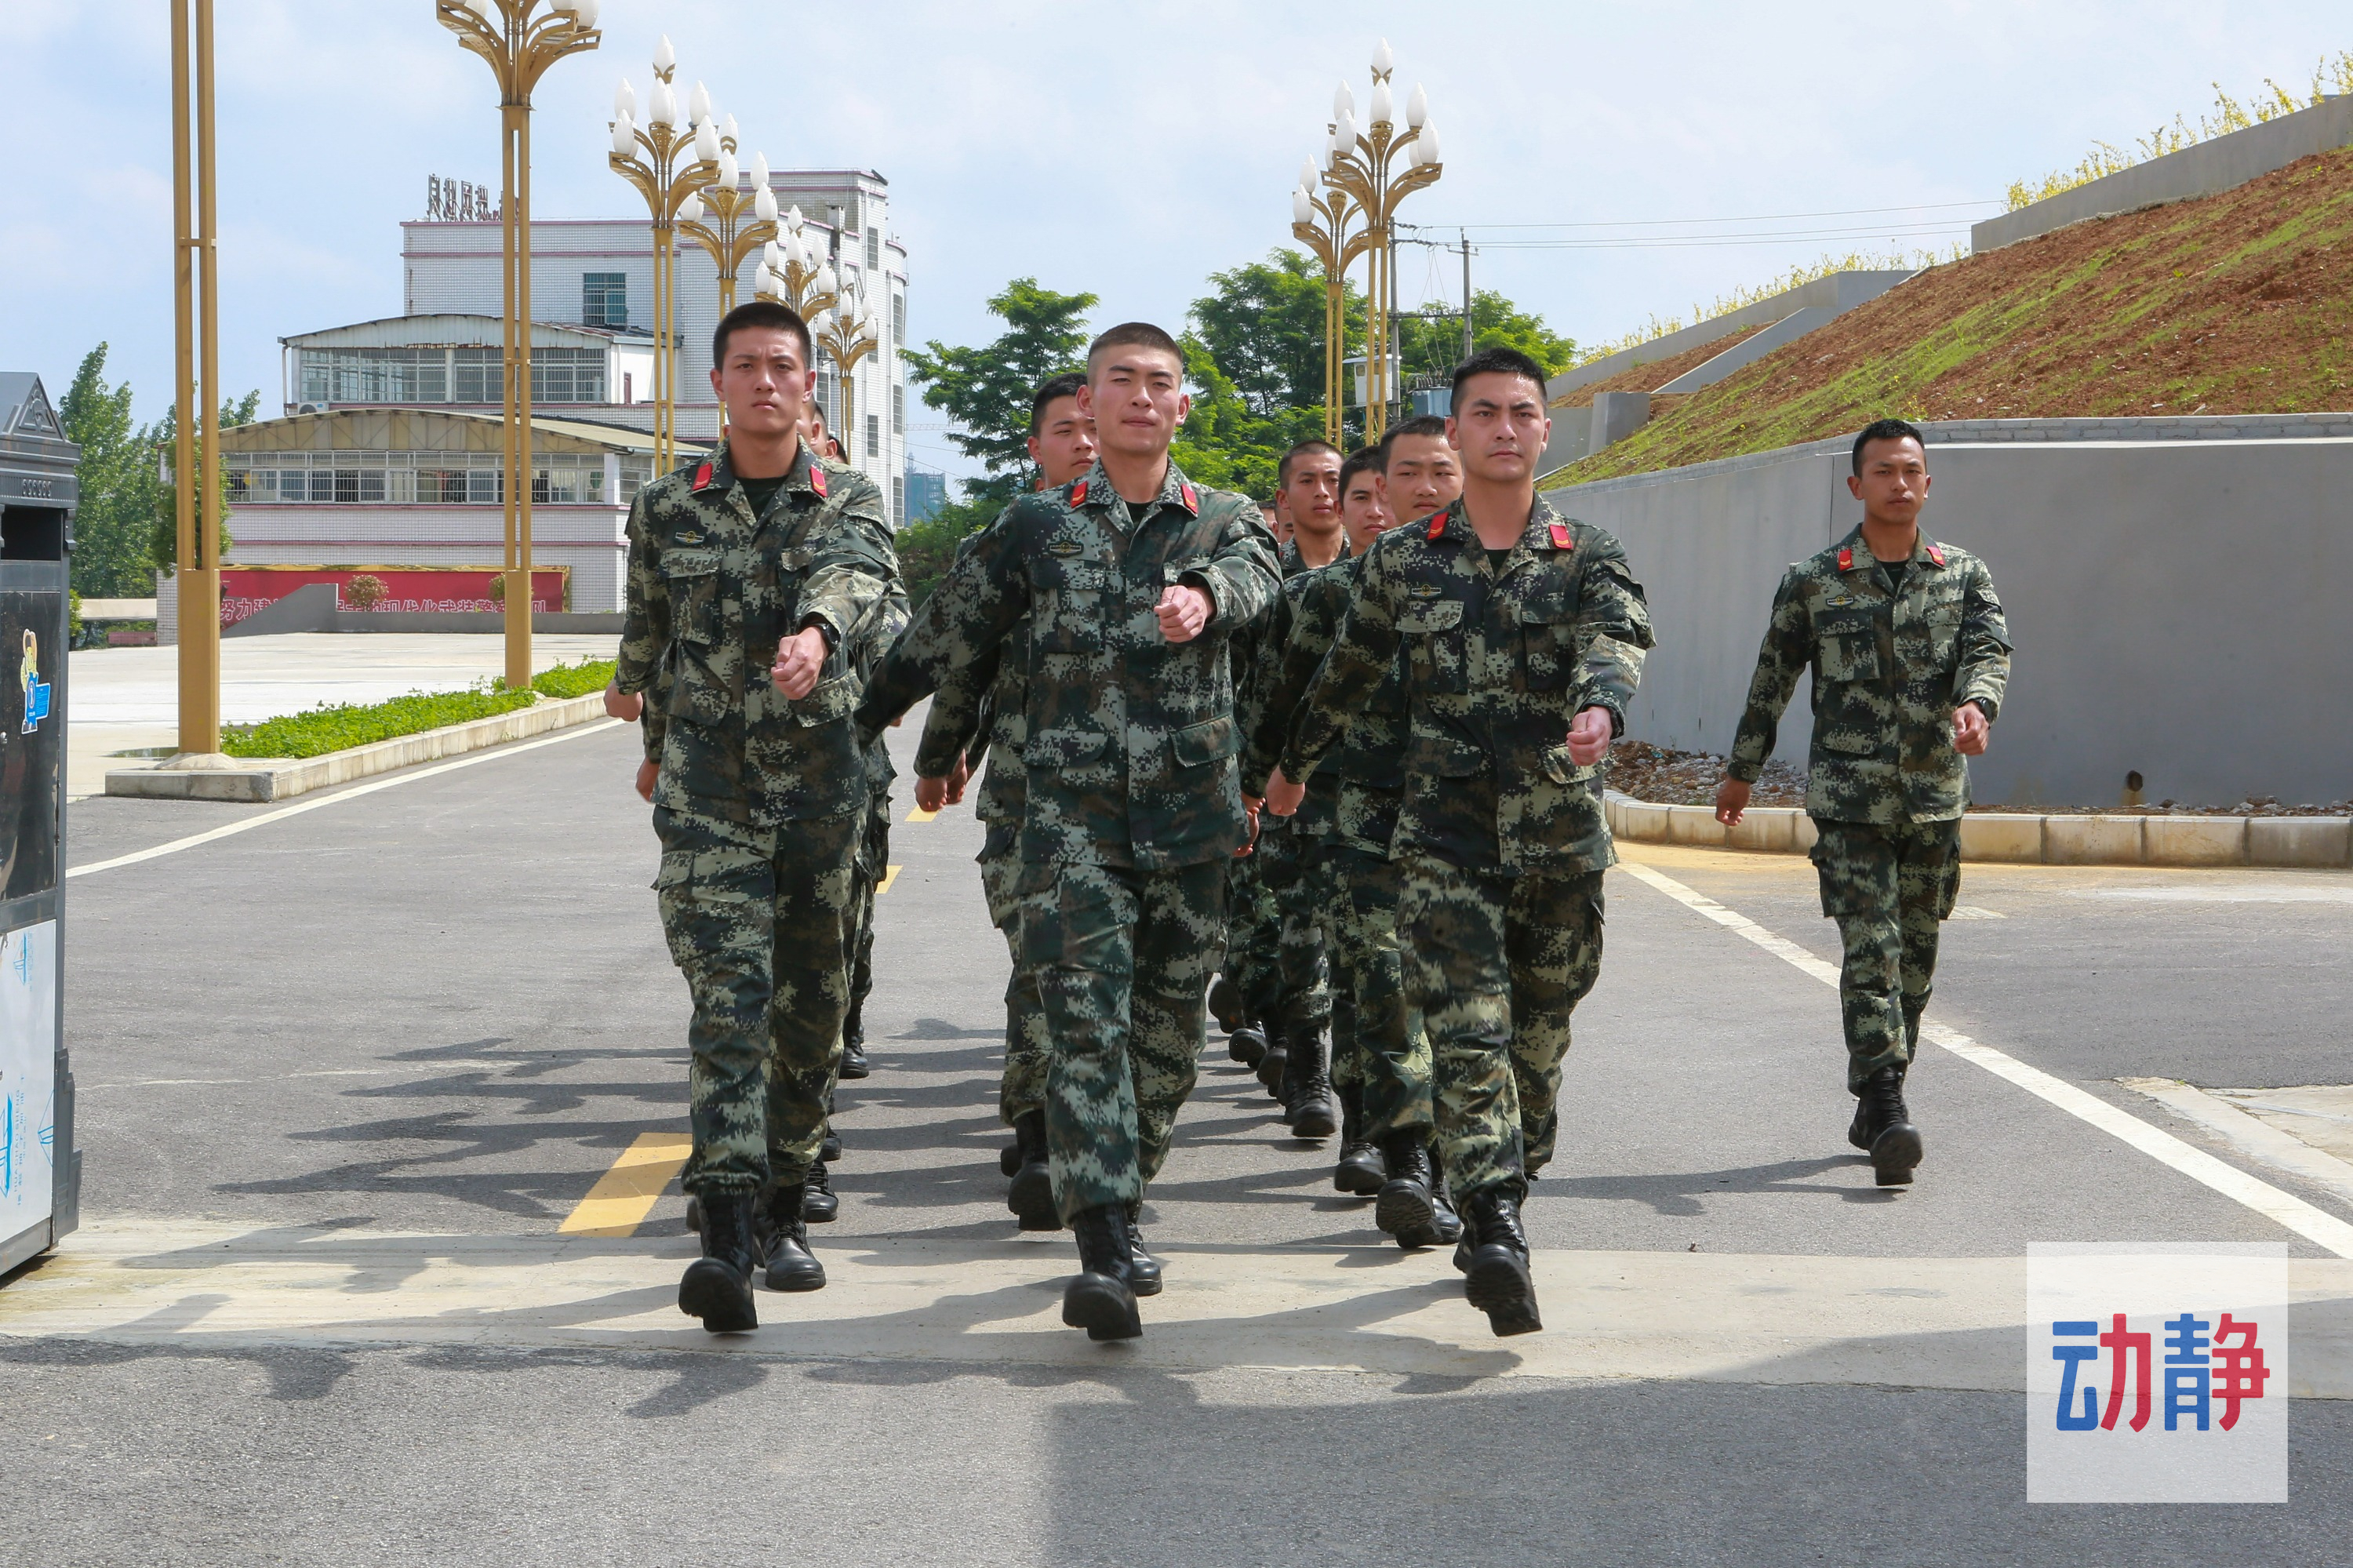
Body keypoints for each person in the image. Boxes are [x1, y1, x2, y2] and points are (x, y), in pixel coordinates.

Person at [856, 322, 1278, 1341]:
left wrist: (1205, 597)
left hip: (1188, 831)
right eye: (1119, 381)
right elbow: (945, 632)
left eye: (1159, 383)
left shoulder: (1225, 524)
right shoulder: (1036, 527)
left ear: (1184, 407)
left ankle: (1122, 1187)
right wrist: (857, 720)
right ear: (1087, 407)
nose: (1139, 397)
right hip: (1067, 825)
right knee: (1085, 1019)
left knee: (1163, 1042)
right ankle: (1106, 1240)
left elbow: (1263, 585)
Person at [1267, 347, 1653, 1337]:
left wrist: (1600, 706)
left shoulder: (1588, 552)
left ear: (1544, 429)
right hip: (1444, 844)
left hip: (1561, 844)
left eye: (1522, 412)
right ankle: (1493, 1227)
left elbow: (1619, 637)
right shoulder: (1405, 560)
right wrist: (1293, 763)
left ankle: (1508, 1175)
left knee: (1538, 1038)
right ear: (1460, 430)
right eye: (1485, 413)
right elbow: (1347, 672)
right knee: (1470, 1036)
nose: (1505, 429)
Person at [606, 298, 899, 1333]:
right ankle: (726, 1231)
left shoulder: (851, 497)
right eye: (747, 366)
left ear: (808, 383)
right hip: (711, 799)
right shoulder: (667, 505)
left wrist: (817, 634)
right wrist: (641, 725)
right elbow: (650, 625)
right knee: (732, 1006)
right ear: (718, 385)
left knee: (808, 1016)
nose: (766, 381)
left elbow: (866, 583)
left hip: (823, 798)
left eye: (784, 365)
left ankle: (786, 1205)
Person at [1714, 417, 2009, 1188]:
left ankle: (1877, 1093)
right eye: (1884, 471)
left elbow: (1989, 648)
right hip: (1850, 802)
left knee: (1915, 955)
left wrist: (1978, 704)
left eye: (1912, 471)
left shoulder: (1963, 574)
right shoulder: (1815, 578)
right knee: (1872, 950)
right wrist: (1742, 769)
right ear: (1857, 485)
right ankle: (1884, 1100)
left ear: (1928, 484)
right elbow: (1772, 675)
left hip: (1935, 798)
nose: (1900, 483)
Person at [911, 372, 1097, 1229]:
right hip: (1027, 795)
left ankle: (1078, 1130)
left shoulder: (1162, 539)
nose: (1085, 443)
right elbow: (968, 664)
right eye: (1066, 430)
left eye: (1093, 429)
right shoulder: (1008, 541)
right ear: (1036, 449)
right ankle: (1040, 1125)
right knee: (1042, 961)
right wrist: (945, 755)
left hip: (1134, 808)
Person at [1234, 439, 1347, 1133]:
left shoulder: (1389, 577)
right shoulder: (1265, 583)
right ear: (1284, 500)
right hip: (1280, 779)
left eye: (1337, 480)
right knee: (1286, 925)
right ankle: (1299, 1058)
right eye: (1307, 480)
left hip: (1365, 785)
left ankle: (1339, 1090)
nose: (1324, 493)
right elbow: (1248, 687)